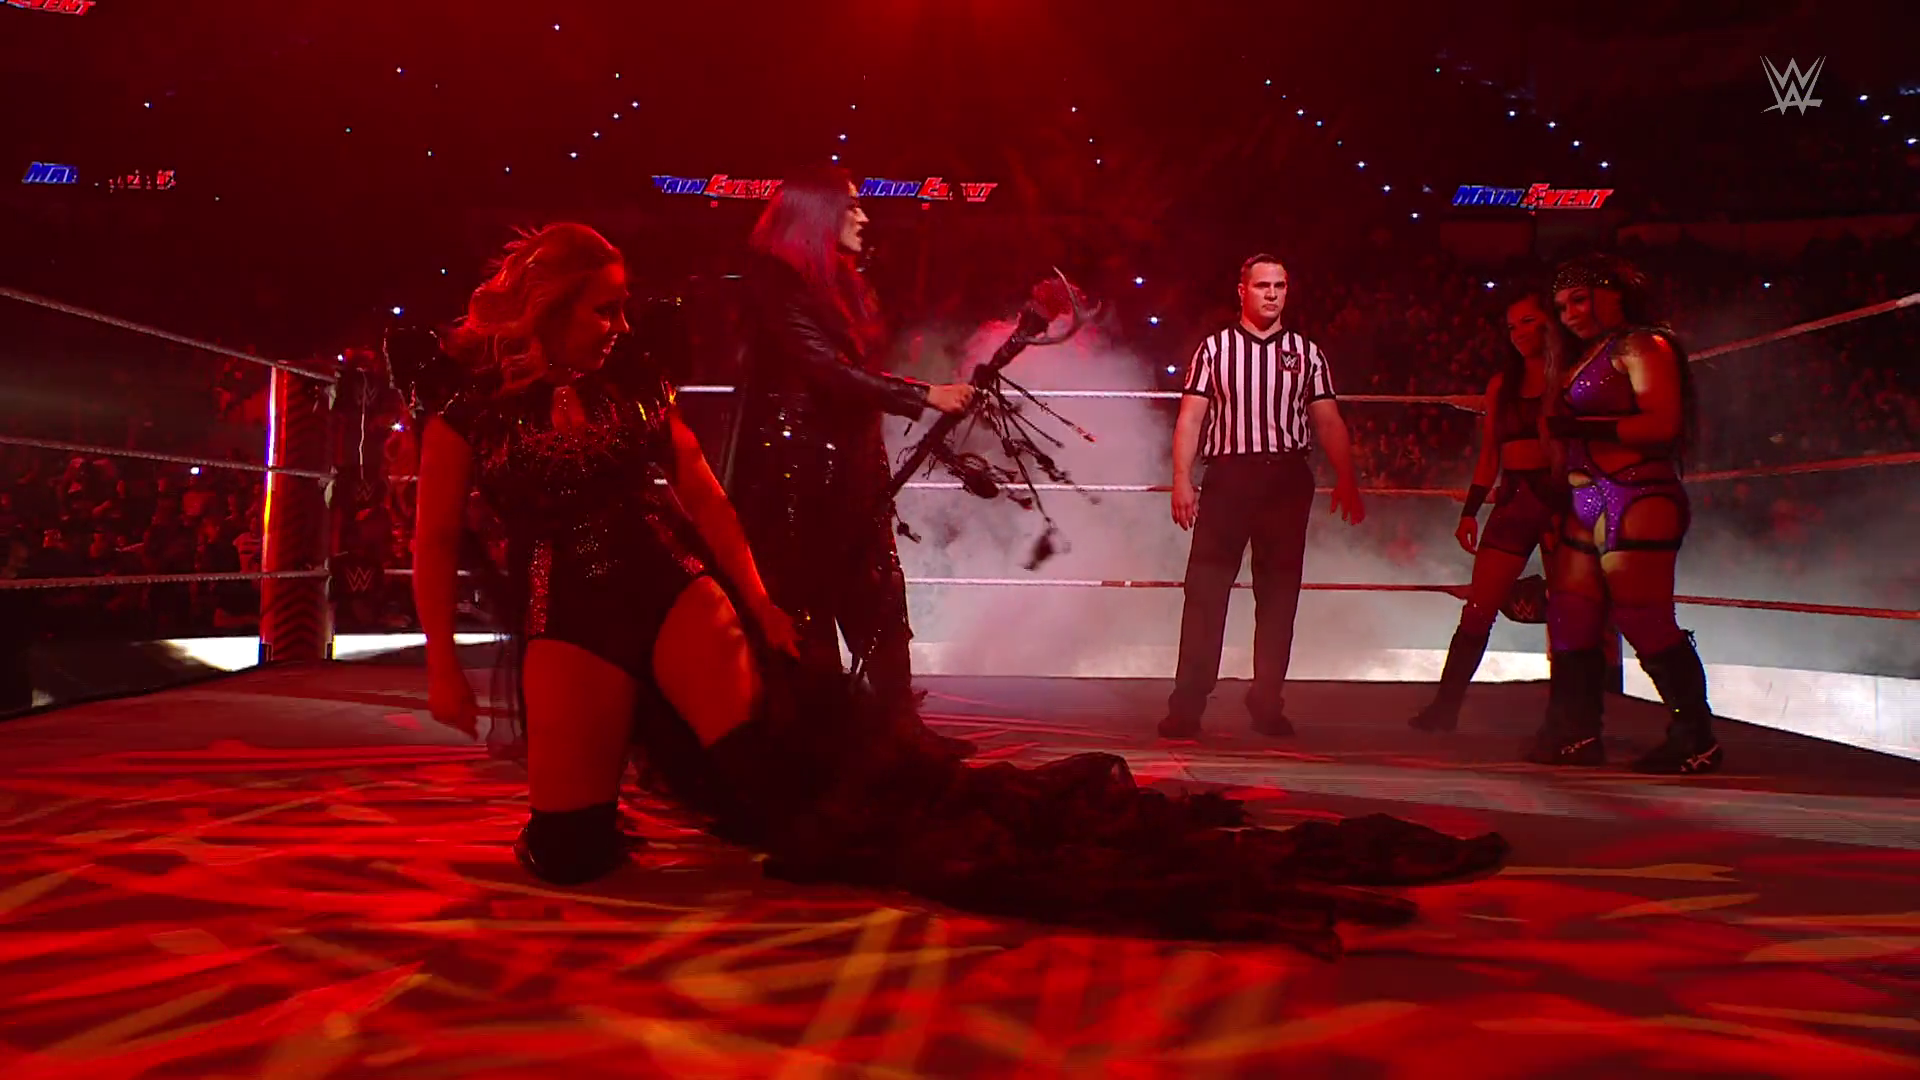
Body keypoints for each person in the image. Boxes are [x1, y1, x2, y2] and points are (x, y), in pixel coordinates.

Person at [411, 225, 1508, 958]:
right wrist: (446, 671)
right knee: (570, 855)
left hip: (670, 588)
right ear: (546, 306)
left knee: (787, 802)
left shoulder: (636, 381)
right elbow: (435, 537)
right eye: (599, 310)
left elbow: (700, 496)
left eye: (619, 308)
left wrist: (761, 601)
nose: (618, 325)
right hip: (563, 611)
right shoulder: (465, 406)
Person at [726, 166, 977, 757]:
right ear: (817, 215)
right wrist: (922, 396)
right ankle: (816, 744)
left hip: (852, 461)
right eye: (852, 206)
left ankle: (899, 731)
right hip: (795, 473)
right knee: (806, 603)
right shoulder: (776, 281)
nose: (864, 217)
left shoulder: (840, 282)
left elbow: (849, 369)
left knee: (878, 595)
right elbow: (825, 369)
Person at [1531, 254, 1722, 774]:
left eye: (1579, 300)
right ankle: (1575, 732)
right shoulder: (1588, 353)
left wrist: (1583, 427)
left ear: (1613, 294)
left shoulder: (1643, 345)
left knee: (1643, 617)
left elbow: (1662, 423)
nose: (1570, 314)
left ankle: (1695, 736)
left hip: (1636, 494)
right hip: (1586, 497)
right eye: (1561, 306)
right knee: (1570, 614)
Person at [1160, 254, 1364, 739]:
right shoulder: (1215, 349)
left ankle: (1267, 699)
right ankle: (1188, 704)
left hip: (1285, 480)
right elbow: (1191, 417)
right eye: (1262, 285)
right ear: (1242, 291)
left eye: (1280, 286)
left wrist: (1347, 477)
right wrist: (1182, 477)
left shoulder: (1307, 353)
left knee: (1278, 595)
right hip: (1229, 478)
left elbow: (1328, 419)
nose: (1272, 294)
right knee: (1206, 592)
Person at [1409, 289, 1620, 732]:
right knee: (1480, 605)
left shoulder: (1571, 376)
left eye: (1527, 321)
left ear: (1549, 323)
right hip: (1515, 496)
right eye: (1511, 326)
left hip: (1562, 495)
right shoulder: (1502, 385)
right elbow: (1490, 455)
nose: (1518, 332)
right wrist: (1470, 511)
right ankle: (1445, 707)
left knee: (1572, 610)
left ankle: (1575, 718)